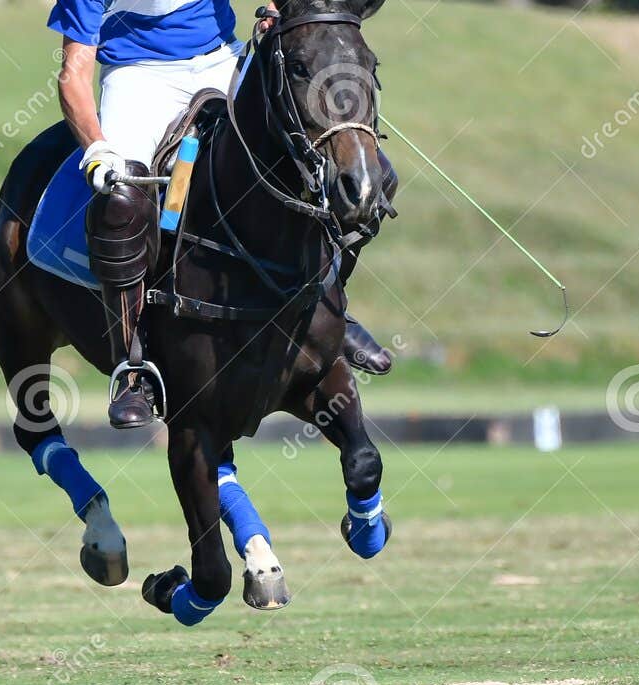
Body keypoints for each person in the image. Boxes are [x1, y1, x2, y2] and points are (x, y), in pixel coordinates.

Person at [49, 0, 393, 429]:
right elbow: (73, 75)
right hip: (138, 77)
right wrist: (97, 151)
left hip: (222, 59)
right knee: (122, 203)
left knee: (340, 167)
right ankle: (132, 366)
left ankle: (330, 302)